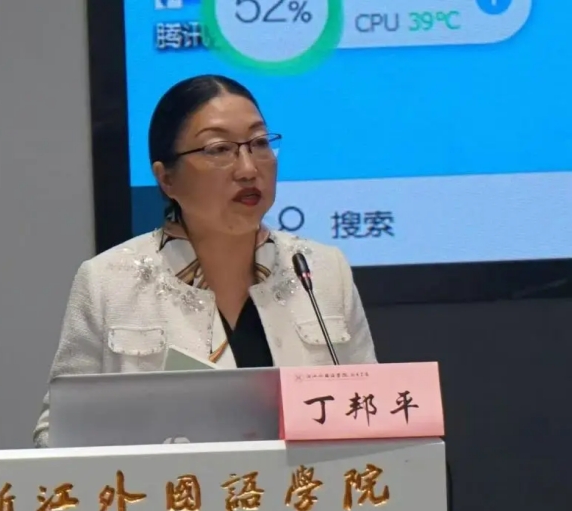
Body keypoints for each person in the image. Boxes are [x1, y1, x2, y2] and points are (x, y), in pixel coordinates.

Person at [33, 74, 377, 448]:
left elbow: (375, 411)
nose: (248, 168)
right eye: (219, 149)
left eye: (259, 143)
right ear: (166, 178)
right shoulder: (109, 282)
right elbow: (58, 435)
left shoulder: (323, 271)